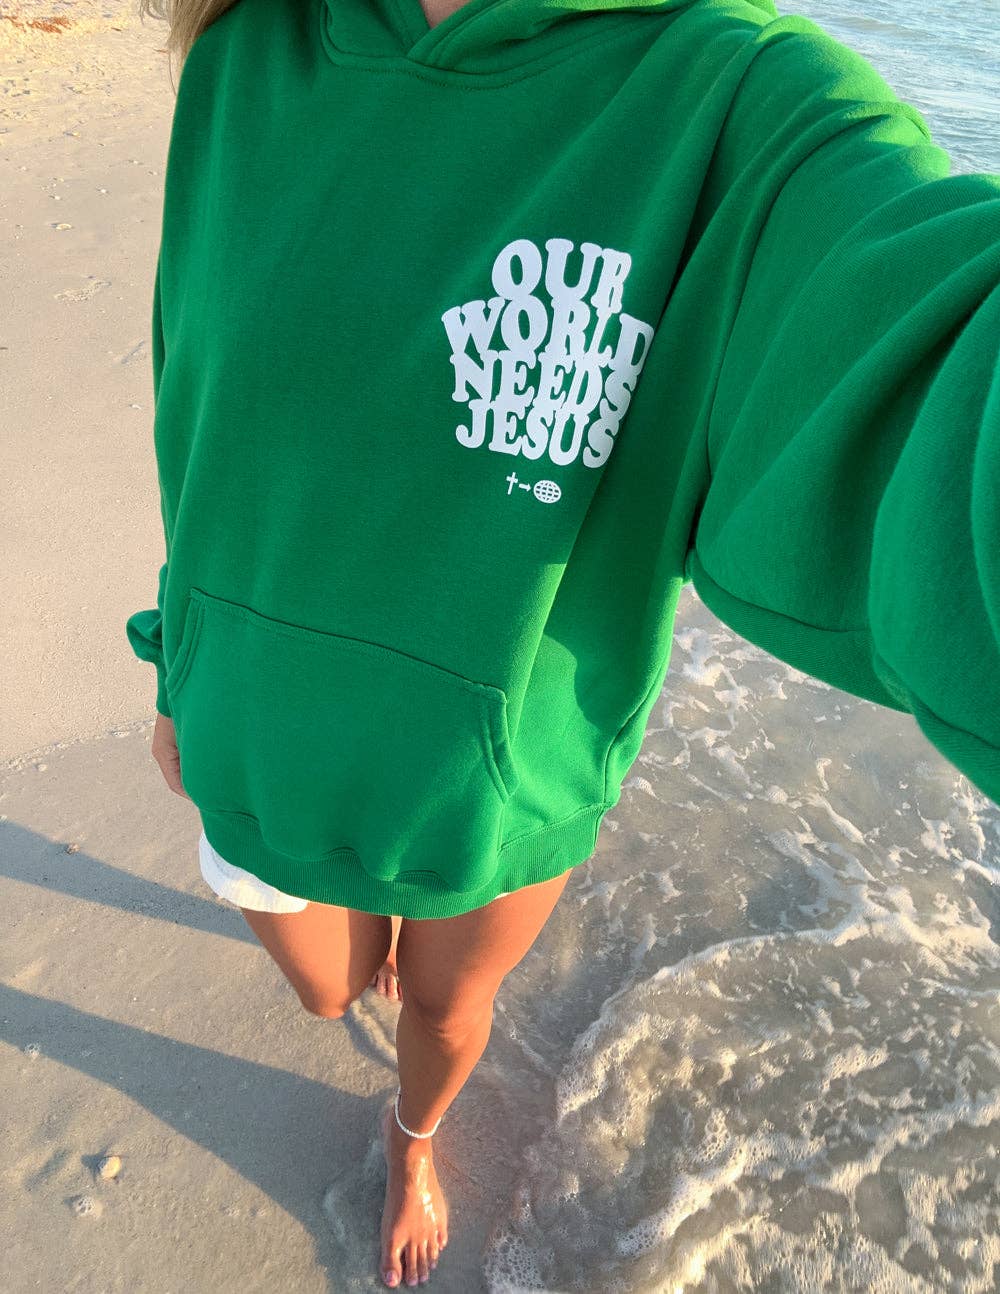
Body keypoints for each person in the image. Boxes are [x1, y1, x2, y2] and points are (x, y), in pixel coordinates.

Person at [128, 0, 1000, 1285]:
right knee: (329, 990)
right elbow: (196, 409)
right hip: (251, 731)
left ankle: (415, 1141)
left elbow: (930, 369)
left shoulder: (733, 106)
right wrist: (177, 656)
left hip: (491, 786)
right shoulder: (248, 51)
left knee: (442, 1010)